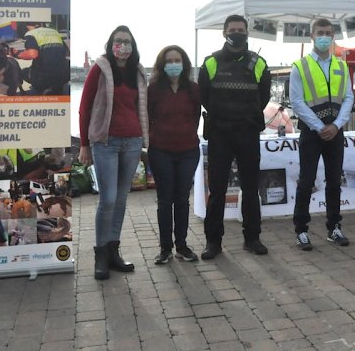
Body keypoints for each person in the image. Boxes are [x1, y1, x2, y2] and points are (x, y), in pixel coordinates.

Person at [198, 15, 272, 259]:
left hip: (248, 133)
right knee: (217, 190)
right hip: (220, 134)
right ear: (224, 33)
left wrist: (245, 117)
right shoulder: (211, 63)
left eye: (241, 30)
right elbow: (204, 97)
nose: (237, 33)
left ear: (247, 33)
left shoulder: (259, 63)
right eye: (233, 29)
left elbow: (264, 97)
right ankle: (213, 243)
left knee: (251, 189)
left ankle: (252, 238)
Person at [79, 25, 148, 280]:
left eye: (128, 42)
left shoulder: (137, 72)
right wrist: (84, 143)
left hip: (132, 142)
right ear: (111, 44)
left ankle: (113, 250)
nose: (123, 46)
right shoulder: (100, 68)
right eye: (119, 41)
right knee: (107, 198)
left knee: (121, 198)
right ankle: (100, 255)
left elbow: (143, 106)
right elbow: (85, 107)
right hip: (105, 142)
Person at [290, 18, 354, 250]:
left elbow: (348, 97)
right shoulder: (300, 66)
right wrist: (319, 126)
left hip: (335, 132)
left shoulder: (341, 65)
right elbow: (296, 102)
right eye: (320, 32)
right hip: (311, 132)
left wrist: (336, 125)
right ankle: (301, 231)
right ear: (312, 36)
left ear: (333, 36)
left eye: (328, 33)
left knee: (334, 182)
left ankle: (334, 227)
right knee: (306, 182)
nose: (324, 36)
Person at [148, 45, 201, 264]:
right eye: (169, 61)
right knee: (165, 199)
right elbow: (148, 116)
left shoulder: (194, 89)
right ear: (162, 64)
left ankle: (182, 245)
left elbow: (196, 117)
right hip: (161, 151)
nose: (173, 64)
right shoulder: (153, 90)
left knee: (182, 199)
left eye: (177, 60)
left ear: (184, 63)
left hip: (188, 150)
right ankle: (165, 248)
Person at [13, 23, 70, 95]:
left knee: (24, 72)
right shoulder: (53, 31)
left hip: (44, 76)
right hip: (63, 75)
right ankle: (56, 87)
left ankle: (42, 89)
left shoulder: (31, 33)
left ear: (25, 26)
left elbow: (32, 54)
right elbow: (66, 51)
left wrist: (17, 54)